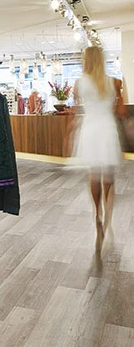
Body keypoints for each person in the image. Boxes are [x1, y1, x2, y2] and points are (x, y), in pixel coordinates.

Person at [74, 46, 123, 253]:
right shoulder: (114, 82)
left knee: (94, 174)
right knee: (108, 175)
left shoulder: (79, 83)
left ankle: (97, 213)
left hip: (90, 130)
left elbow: (76, 109)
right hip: (107, 129)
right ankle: (107, 212)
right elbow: (120, 111)